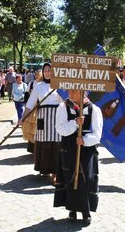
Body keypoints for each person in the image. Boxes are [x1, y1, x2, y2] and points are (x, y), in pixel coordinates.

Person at [54, 90, 103, 225]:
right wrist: (75, 123)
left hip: (86, 149)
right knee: (69, 175)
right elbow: (60, 128)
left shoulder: (94, 109)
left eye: (74, 91)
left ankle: (86, 211)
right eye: (69, 90)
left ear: (83, 92)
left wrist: (85, 140)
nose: (70, 93)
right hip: (68, 147)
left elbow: (97, 133)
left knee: (86, 177)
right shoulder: (63, 107)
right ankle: (72, 209)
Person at [18, 63, 62, 183]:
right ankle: (45, 169)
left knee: (57, 144)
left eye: (50, 70)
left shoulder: (60, 86)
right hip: (42, 118)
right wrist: (23, 118)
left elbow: (65, 101)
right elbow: (30, 104)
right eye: (46, 70)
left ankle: (56, 172)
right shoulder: (39, 86)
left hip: (57, 118)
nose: (48, 72)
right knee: (44, 143)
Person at [22, 69, 43, 153]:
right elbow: (26, 94)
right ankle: (32, 147)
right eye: (36, 74)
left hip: (40, 108)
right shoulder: (31, 83)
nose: (37, 76)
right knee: (31, 128)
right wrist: (27, 103)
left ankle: (39, 147)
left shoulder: (43, 84)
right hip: (32, 108)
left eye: (39, 74)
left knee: (39, 127)